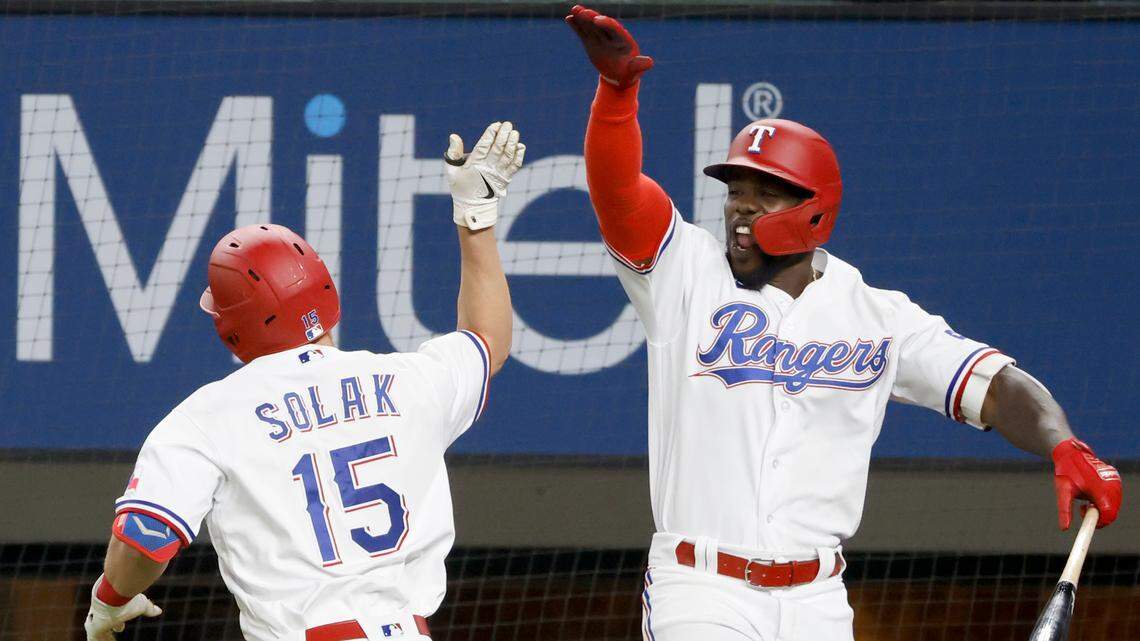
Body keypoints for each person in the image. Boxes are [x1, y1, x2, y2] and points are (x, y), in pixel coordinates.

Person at [564, 6, 1123, 641]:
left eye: (764, 193)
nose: (740, 207)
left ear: (814, 212)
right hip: (701, 589)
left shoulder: (878, 316)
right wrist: (617, 94)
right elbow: (617, 193)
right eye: (734, 191)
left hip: (818, 602)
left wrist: (1063, 443)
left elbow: (996, 386)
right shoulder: (684, 273)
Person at [83, 122, 526, 641]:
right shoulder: (409, 381)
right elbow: (486, 339)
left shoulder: (205, 418)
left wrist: (108, 601)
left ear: (229, 328)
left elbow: (144, 539)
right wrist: (476, 217)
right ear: (326, 296)